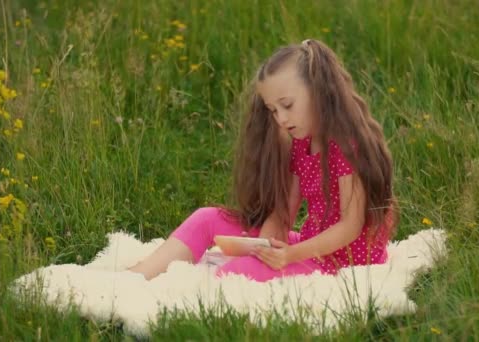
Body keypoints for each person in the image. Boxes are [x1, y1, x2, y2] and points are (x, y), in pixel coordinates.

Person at [128, 39, 398, 282]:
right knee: (206, 218)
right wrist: (264, 245)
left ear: (318, 91)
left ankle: (185, 302)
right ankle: (136, 279)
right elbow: (283, 214)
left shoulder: (346, 146)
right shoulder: (302, 143)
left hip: (343, 263)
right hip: (308, 248)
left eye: (287, 105)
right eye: (273, 110)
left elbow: (350, 227)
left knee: (237, 273)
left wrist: (291, 254)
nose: (280, 118)